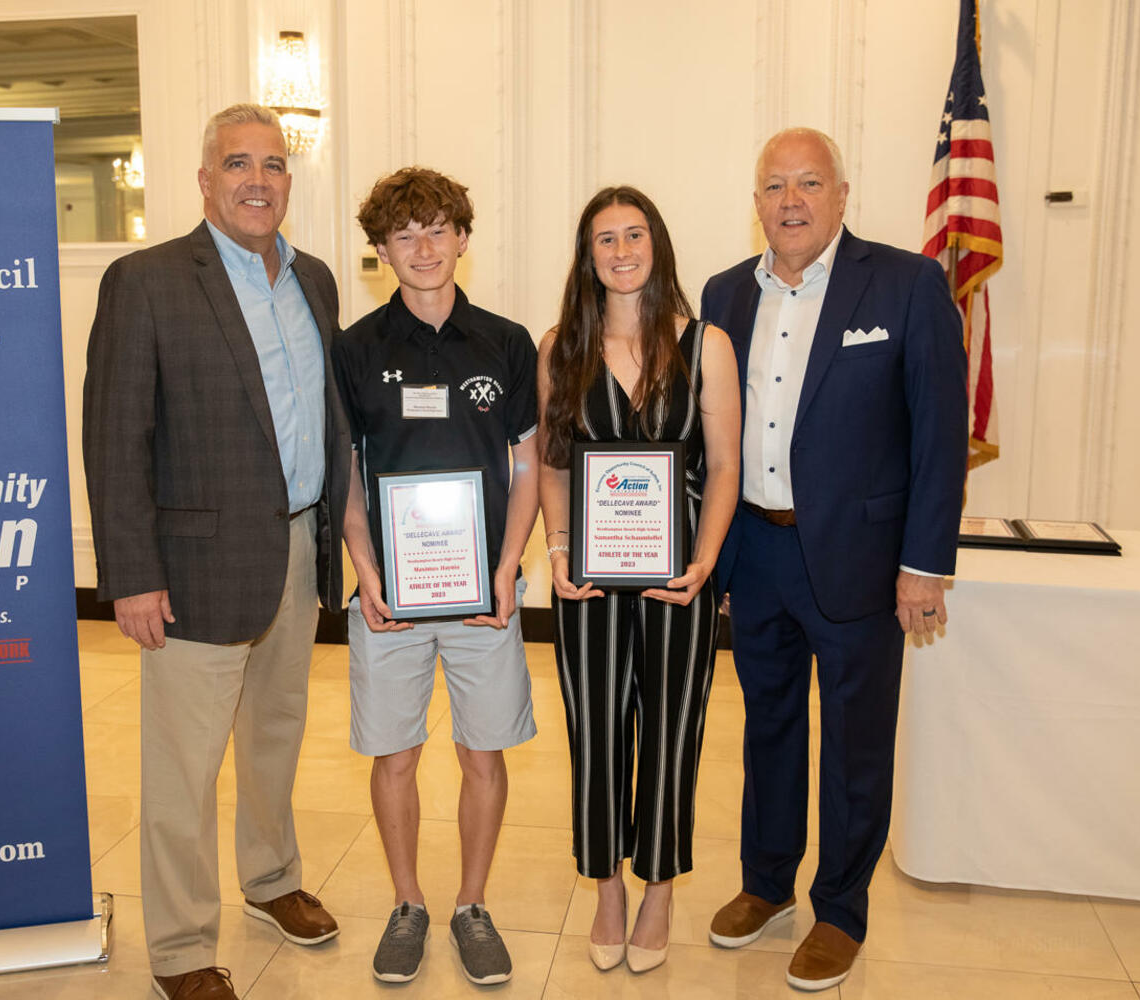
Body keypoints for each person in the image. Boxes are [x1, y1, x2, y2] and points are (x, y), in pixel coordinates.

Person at [82, 103, 352, 1000]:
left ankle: (272, 879)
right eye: (237, 163)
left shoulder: (314, 280)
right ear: (204, 180)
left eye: (273, 164)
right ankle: (182, 944)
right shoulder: (148, 280)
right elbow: (116, 438)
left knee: (275, 738)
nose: (257, 180)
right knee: (185, 768)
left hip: (297, 550)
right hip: (192, 568)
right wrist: (131, 577)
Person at [699, 127, 967, 992]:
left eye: (809, 183)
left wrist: (925, 563)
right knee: (768, 728)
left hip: (862, 559)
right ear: (756, 203)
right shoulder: (723, 294)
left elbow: (939, 435)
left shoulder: (906, 283)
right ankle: (767, 884)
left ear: (842, 195)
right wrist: (713, 555)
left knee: (855, 745)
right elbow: (709, 438)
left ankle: (841, 911)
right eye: (774, 185)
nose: (790, 201)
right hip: (757, 555)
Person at [332, 167, 540, 986]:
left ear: (463, 236)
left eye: (437, 229)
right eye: (403, 234)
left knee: (483, 752)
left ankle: (473, 905)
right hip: (389, 595)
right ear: (380, 249)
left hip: (484, 594)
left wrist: (507, 565)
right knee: (395, 755)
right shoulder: (354, 348)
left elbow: (528, 466)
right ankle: (409, 903)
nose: (422, 248)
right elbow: (345, 471)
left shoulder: (508, 341)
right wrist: (365, 565)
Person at [537, 186, 741, 974]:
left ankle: (658, 887)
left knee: (671, 733)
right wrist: (556, 550)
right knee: (594, 736)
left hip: (677, 580)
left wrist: (705, 565)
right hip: (588, 584)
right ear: (586, 257)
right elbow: (554, 466)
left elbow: (723, 468)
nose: (621, 252)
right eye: (604, 241)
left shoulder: (707, 346)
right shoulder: (560, 348)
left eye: (633, 235)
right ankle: (608, 888)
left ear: (656, 244)